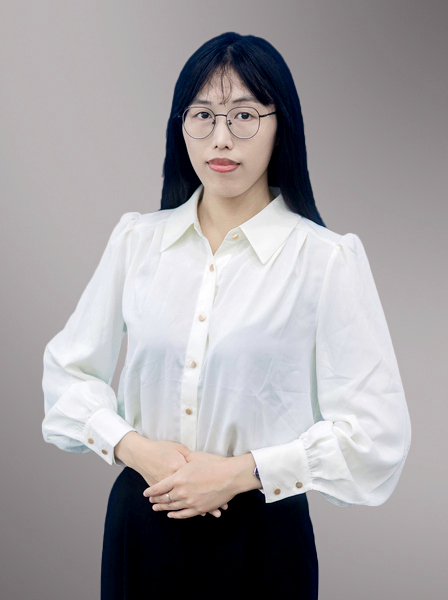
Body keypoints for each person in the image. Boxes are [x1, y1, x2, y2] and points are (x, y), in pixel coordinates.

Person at [41, 31, 411, 599]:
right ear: (180, 124)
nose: (221, 138)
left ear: (281, 124)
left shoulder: (325, 260)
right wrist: (137, 449)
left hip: (262, 538)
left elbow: (376, 434)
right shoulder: (137, 242)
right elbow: (67, 375)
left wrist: (241, 473)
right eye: (203, 116)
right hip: (144, 522)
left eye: (244, 115)